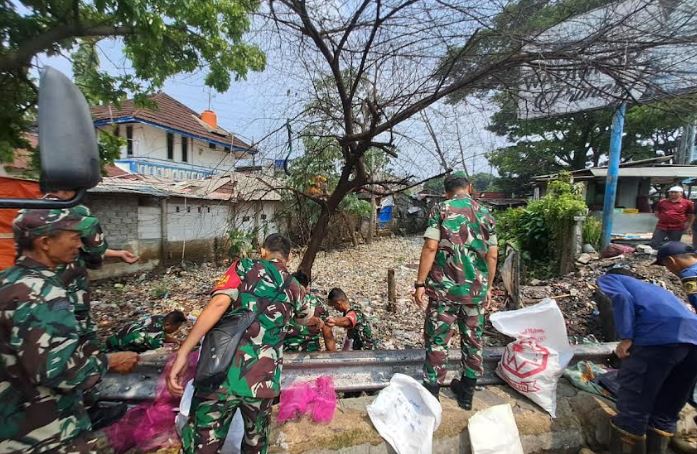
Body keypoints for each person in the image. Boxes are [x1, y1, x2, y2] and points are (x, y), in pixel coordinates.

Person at [0, 208, 139, 452]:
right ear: (45, 242)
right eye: (73, 237)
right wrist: (109, 361)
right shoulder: (41, 294)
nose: (79, 245)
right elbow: (57, 371)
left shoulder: (9, 280)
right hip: (42, 432)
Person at [167, 234, 320, 454]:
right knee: (254, 446)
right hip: (262, 385)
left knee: (202, 445)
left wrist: (184, 351)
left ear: (263, 251)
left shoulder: (244, 266)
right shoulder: (295, 286)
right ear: (290, 257)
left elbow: (219, 303)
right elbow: (307, 318)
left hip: (221, 378)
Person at [414, 171, 498, 409]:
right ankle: (467, 395)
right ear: (469, 187)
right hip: (475, 292)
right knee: (473, 341)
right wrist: (488, 287)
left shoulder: (441, 209)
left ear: (446, 191)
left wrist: (419, 283)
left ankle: (431, 398)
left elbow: (431, 246)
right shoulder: (485, 213)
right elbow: (492, 254)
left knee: (438, 341)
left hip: (444, 291)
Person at [597, 268, 697, 454]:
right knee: (665, 411)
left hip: (657, 340)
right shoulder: (656, 290)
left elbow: (622, 298)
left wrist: (626, 337)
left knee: (633, 408)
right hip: (693, 341)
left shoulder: (611, 278)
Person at [43, 190, 139, 344]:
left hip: (39, 291)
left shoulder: (28, 212)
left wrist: (118, 254)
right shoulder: (77, 212)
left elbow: (79, 248)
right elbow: (93, 251)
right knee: (78, 341)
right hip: (70, 292)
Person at [284, 271, 335, 352]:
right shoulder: (318, 303)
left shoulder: (283, 302)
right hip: (312, 353)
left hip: (287, 353)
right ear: (306, 285)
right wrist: (333, 358)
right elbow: (328, 335)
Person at [106, 310, 187, 352]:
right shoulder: (156, 338)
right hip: (117, 350)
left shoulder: (158, 318)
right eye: (177, 327)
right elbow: (160, 353)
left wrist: (176, 341)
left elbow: (162, 335)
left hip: (113, 339)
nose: (177, 330)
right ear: (168, 324)